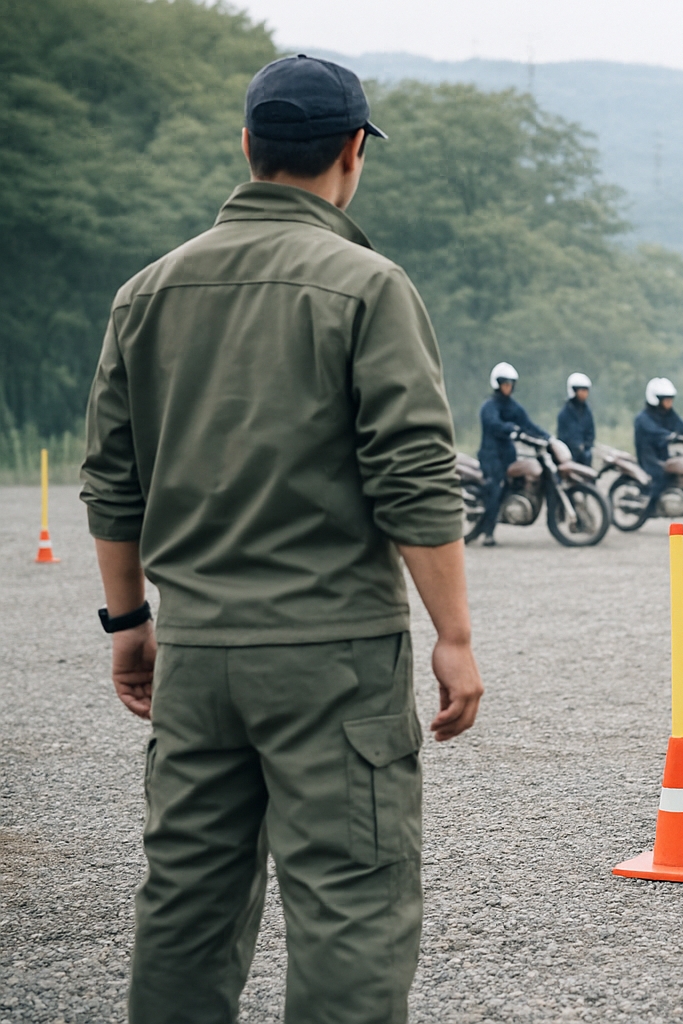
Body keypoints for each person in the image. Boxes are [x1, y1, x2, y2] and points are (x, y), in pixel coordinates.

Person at [78, 54, 484, 1024]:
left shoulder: (147, 294)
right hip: (331, 657)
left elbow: (112, 478)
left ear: (248, 149)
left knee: (184, 907)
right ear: (353, 152)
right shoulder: (367, 287)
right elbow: (413, 475)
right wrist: (455, 635)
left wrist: (129, 621)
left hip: (197, 656)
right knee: (351, 902)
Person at [466, 361, 549, 546]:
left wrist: (547, 437)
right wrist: (511, 428)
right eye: (505, 383)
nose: (508, 387)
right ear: (497, 384)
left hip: (508, 456)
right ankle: (488, 533)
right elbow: (494, 424)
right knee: (496, 488)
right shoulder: (489, 407)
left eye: (511, 384)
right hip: (491, 456)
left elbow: (528, 424)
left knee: (513, 484)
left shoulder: (513, 406)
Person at [633, 377, 683, 522]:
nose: (669, 403)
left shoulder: (668, 414)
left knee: (676, 473)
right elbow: (654, 431)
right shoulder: (643, 418)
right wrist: (670, 436)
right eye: (666, 400)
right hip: (649, 457)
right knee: (660, 477)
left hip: (663, 455)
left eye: (671, 399)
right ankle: (648, 510)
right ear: (655, 400)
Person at [557, 372, 596, 466]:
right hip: (568, 454)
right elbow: (565, 436)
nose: (584, 393)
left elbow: (591, 431)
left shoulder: (587, 411)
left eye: (586, 390)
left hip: (585, 453)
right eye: (582, 390)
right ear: (574, 390)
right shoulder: (565, 413)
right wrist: (577, 446)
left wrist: (587, 446)